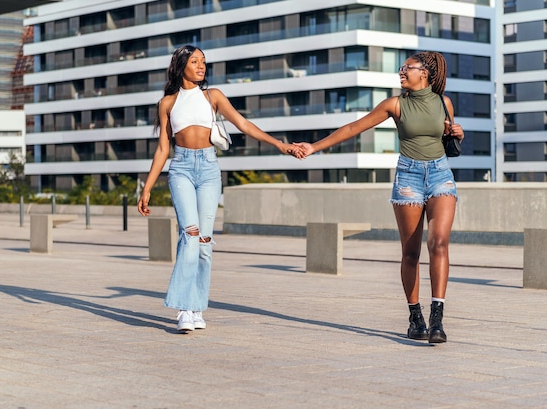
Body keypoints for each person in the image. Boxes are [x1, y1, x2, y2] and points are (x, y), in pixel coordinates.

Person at [293, 51, 464, 343]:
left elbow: (447, 137)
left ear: (424, 72)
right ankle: (415, 317)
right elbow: (352, 128)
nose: (401, 72)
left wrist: (457, 133)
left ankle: (437, 320)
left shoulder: (444, 103)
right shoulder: (394, 105)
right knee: (411, 253)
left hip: (440, 175)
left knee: (439, 243)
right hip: (408, 178)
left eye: (406, 68)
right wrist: (314, 147)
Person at [138, 45, 298, 332]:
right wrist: (147, 187)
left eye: (204, 62)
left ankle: (197, 308)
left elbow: (244, 124)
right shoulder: (168, 103)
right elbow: (163, 148)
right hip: (182, 169)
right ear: (181, 66)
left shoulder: (213, 96)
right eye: (195, 61)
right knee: (190, 234)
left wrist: (280, 145)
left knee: (204, 243)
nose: (201, 66)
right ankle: (184, 308)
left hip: (209, 169)